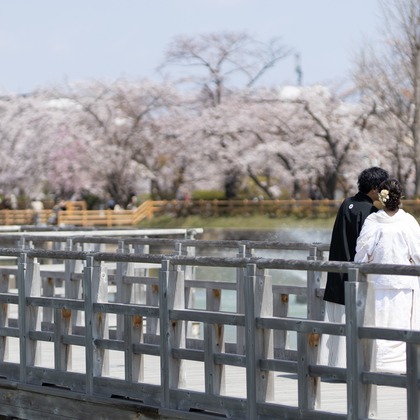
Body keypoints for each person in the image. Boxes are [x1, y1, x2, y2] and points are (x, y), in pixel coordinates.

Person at [319, 166, 389, 368]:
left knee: (336, 322)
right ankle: (351, 367)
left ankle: (332, 366)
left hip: (337, 270)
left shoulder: (347, 203)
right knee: (353, 322)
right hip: (355, 276)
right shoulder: (371, 212)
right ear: (375, 188)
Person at [354, 178, 420, 373]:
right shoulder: (408, 221)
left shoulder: (374, 220)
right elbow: (417, 252)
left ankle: (380, 364)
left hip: (378, 281)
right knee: (402, 322)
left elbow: (363, 250)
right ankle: (402, 364)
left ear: (382, 199)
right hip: (404, 282)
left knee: (379, 322)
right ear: (399, 197)